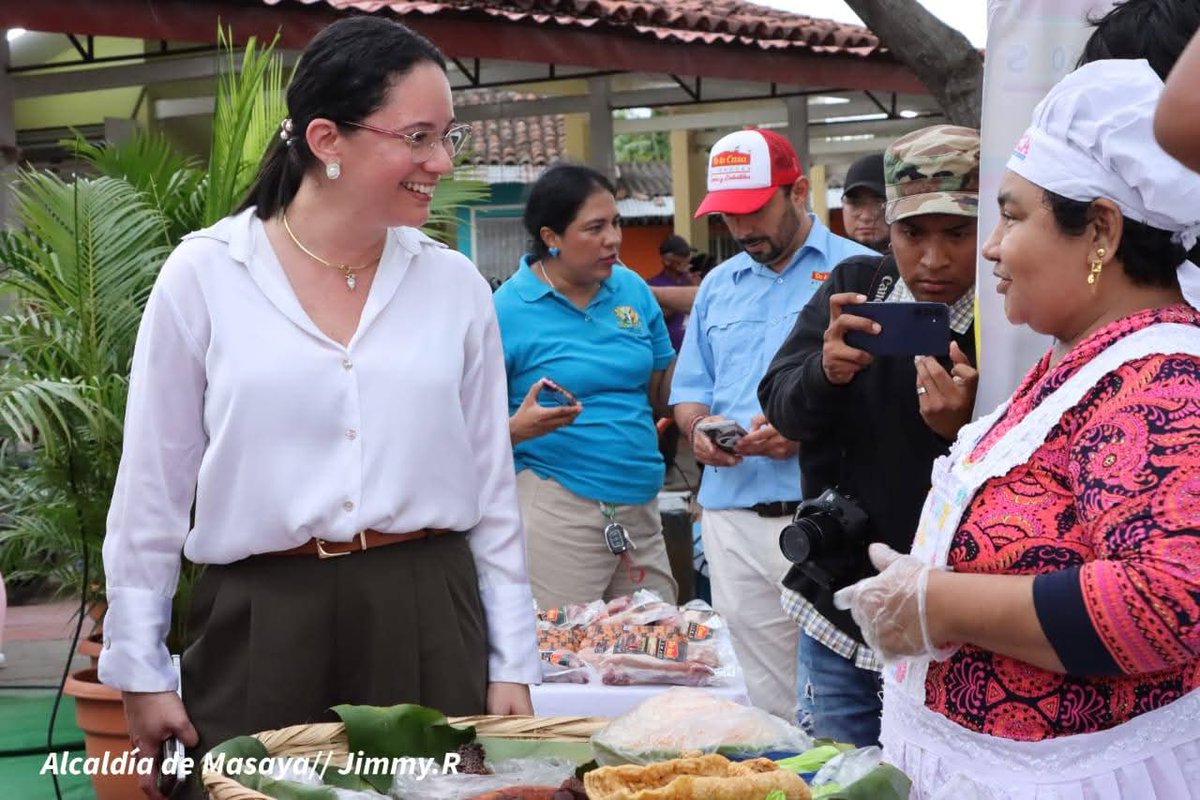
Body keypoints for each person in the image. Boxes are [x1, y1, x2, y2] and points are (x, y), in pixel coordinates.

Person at [98, 17, 540, 799]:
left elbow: (492, 492)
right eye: (417, 136)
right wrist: (140, 668)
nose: (440, 161)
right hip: (262, 616)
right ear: (327, 140)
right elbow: (152, 491)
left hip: (427, 612)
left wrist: (512, 660)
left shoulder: (456, 287)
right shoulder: (205, 276)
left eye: (447, 137)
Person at [834, 60, 1200, 798]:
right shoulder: (1082, 359)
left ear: (1100, 228)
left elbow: (1168, 602)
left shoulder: (1166, 377)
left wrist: (938, 604)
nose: (991, 247)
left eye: (1011, 215)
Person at [758, 125, 981, 746]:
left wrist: (962, 432)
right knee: (840, 779)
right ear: (890, 225)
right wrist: (824, 373)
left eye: (956, 234)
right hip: (838, 608)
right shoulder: (855, 287)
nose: (933, 260)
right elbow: (782, 409)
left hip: (954, 625)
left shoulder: (1012, 318)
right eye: (913, 233)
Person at [669, 128, 876, 719]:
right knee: (767, 706)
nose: (740, 228)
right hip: (732, 518)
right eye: (727, 215)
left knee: (842, 700)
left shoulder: (861, 271)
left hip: (826, 519)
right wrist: (701, 428)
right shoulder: (717, 285)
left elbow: (888, 401)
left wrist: (802, 426)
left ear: (800, 191)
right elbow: (689, 395)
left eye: (753, 208)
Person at [495, 163, 678, 609]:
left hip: (639, 504)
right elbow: (469, 421)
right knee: (563, 658)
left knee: (660, 650)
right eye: (594, 227)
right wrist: (515, 428)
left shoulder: (631, 289)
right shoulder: (507, 310)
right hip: (558, 505)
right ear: (551, 237)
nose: (613, 238)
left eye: (615, 223)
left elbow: (661, 388)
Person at [647, 234, 699, 352]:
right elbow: (657, 316)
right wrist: (685, 292)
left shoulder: (692, 279)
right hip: (670, 354)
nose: (687, 259)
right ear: (667, 260)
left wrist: (697, 287)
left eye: (688, 254)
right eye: (682, 255)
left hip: (694, 352)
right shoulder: (653, 285)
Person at [839, 153, 889, 252]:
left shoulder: (920, 261)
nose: (865, 217)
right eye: (855, 203)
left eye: (879, 203)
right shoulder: (826, 261)